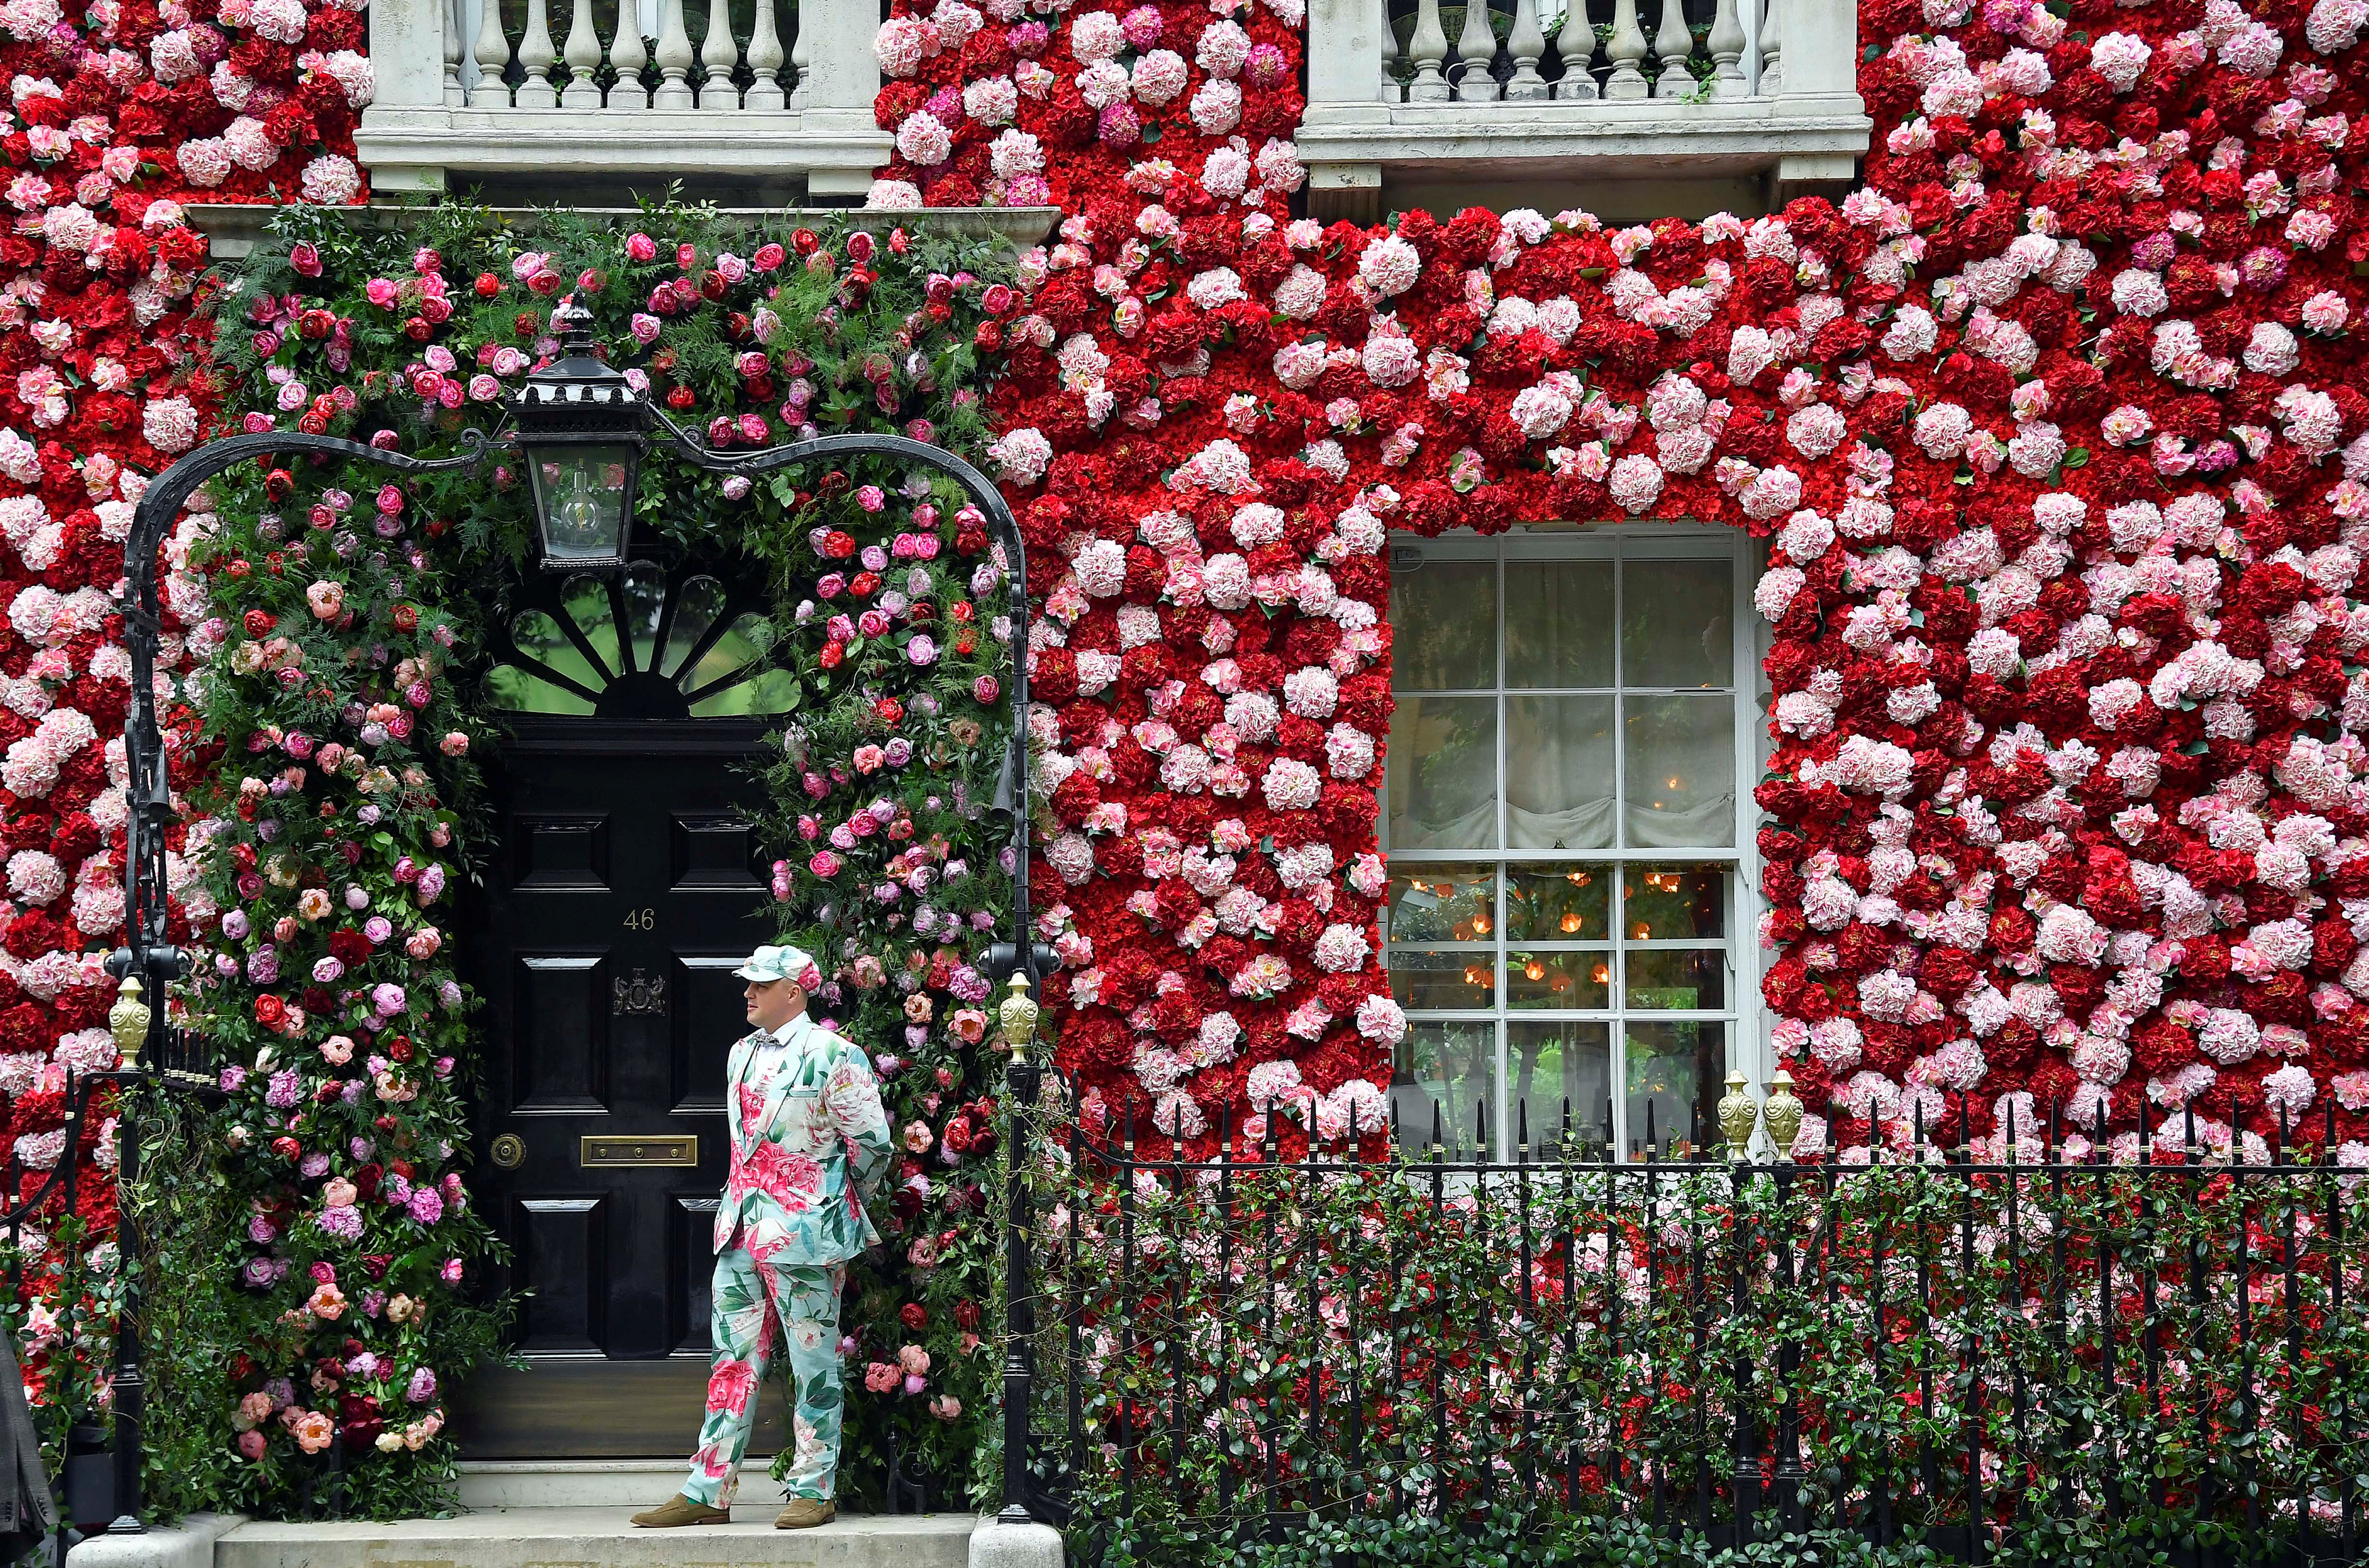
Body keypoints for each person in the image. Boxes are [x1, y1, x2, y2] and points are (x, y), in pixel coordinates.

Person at [632, 944, 894, 1530]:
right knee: (731, 1361)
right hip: (741, 1228)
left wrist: (830, 1201)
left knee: (813, 1363)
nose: (747, 992)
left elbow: (875, 1143)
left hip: (807, 1232)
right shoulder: (739, 1054)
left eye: (759, 984)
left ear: (794, 991)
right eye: (747, 984)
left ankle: (813, 1488)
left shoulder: (836, 1054)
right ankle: (708, 1490)